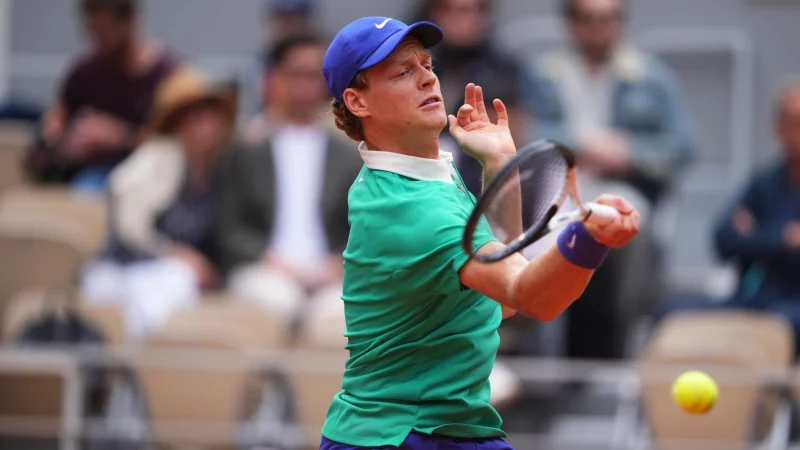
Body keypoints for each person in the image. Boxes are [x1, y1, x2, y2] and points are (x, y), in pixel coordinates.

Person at [318, 16, 640, 449]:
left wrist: (500, 164)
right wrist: (588, 240)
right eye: (403, 72)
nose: (427, 78)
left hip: (443, 429)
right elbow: (528, 295)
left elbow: (499, 300)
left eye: (426, 64)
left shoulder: (430, 176)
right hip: (398, 436)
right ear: (358, 103)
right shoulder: (411, 207)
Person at [527, 0, 694, 359]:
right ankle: (542, 350)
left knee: (633, 225)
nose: (599, 28)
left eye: (608, 19)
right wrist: (582, 143)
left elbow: (680, 147)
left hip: (622, 185)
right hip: (559, 187)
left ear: (621, 23)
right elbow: (526, 131)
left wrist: (628, 152)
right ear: (571, 24)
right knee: (528, 230)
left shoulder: (651, 77)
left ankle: (619, 336)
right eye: (588, 19)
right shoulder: (544, 74)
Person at [80, 66, 235, 340]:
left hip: (174, 278)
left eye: (209, 116)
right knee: (169, 288)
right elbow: (130, 233)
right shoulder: (157, 159)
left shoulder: (219, 168)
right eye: (192, 118)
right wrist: (173, 255)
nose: (204, 127)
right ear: (175, 125)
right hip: (125, 271)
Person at [220, 33, 362, 324]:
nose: (305, 83)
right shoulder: (248, 150)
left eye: (314, 74)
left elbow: (362, 225)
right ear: (276, 77)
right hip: (265, 268)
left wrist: (338, 262)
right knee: (277, 301)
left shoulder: (349, 154)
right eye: (297, 73)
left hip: (331, 273)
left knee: (336, 311)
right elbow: (229, 227)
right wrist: (268, 258)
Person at [658, 81, 800, 353]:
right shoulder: (764, 184)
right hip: (755, 301)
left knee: (780, 325)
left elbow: (745, 240)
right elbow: (724, 240)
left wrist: (756, 236)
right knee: (670, 315)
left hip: (791, 312)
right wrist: (783, 238)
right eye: (794, 122)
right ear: (778, 129)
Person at [26, 0, 178, 193]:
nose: (101, 42)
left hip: (146, 178)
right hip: (85, 174)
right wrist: (56, 143)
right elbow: (56, 120)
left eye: (107, 32)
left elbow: (176, 148)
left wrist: (120, 137)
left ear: (130, 21)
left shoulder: (167, 77)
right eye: (94, 33)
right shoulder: (85, 71)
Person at [412, 0, 534, 197]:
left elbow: (506, 137)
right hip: (419, 163)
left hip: (475, 171)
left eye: (469, 10)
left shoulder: (502, 68)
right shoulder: (414, 61)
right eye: (448, 9)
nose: (459, 19)